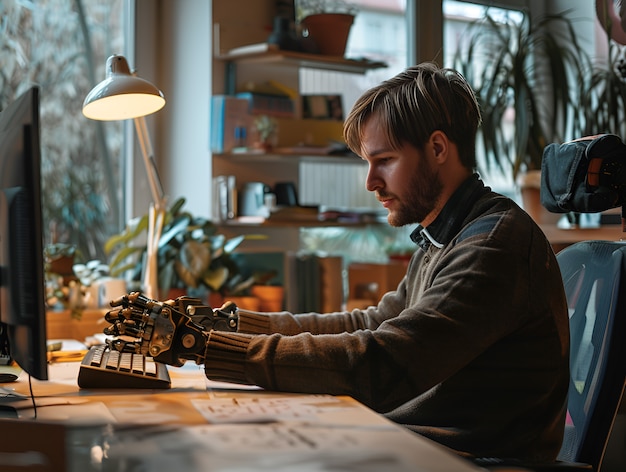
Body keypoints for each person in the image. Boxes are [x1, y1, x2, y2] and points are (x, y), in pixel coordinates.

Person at [106, 63, 570, 462]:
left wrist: (201, 346)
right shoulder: (446, 235)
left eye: (383, 161)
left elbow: (383, 364)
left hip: (468, 461)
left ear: (437, 149)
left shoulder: (491, 245)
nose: (371, 181)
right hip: (419, 445)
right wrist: (225, 325)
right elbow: (368, 323)